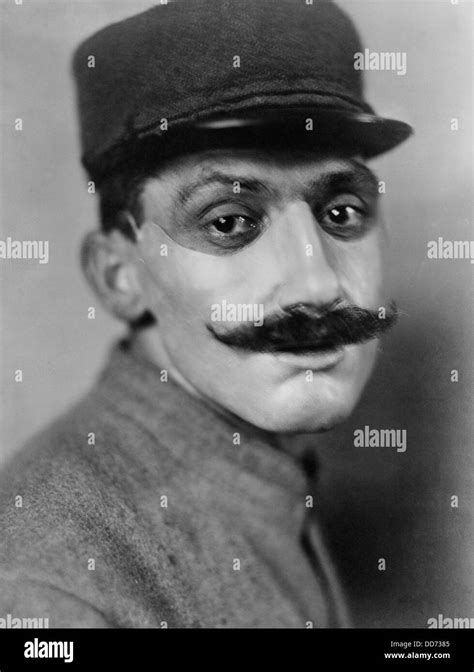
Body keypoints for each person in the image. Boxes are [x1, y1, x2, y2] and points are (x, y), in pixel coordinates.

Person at [0, 0, 412, 628]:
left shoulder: (261, 457)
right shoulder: (54, 582)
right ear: (120, 276)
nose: (318, 284)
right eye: (229, 222)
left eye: (341, 214)